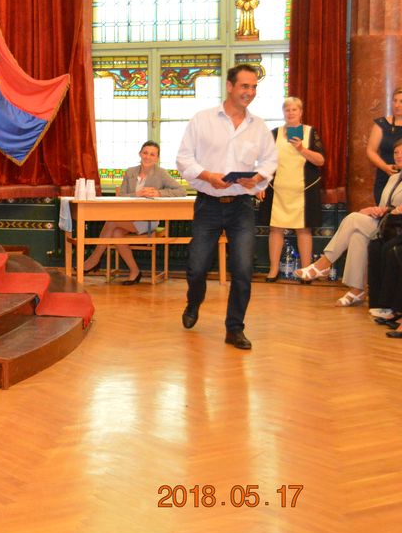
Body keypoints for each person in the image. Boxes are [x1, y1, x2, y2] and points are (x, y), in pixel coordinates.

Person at [175, 64, 279, 350]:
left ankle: (235, 328)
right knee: (197, 267)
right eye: (245, 86)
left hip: (241, 206)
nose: (250, 92)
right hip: (207, 204)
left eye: (254, 87)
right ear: (230, 87)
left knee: (243, 269)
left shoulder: (258, 127)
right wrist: (208, 175)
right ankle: (193, 302)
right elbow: (184, 159)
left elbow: (270, 161)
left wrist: (258, 178)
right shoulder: (202, 120)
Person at [295, 138, 402, 306]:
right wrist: (373, 210)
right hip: (385, 223)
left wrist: (387, 210)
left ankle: (324, 263)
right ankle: (357, 290)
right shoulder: (393, 178)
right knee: (357, 235)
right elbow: (384, 207)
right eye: (396, 152)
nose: (398, 156)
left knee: (352, 219)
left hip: (398, 227)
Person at [81, 141, 185, 284]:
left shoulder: (161, 174)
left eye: (152, 154)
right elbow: (121, 196)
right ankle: (135, 272)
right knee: (116, 233)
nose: (148, 157)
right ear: (140, 154)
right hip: (128, 217)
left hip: (148, 220)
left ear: (157, 158)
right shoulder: (130, 172)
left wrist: (159, 193)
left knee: (111, 221)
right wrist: (136, 194)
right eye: (145, 153)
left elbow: (181, 190)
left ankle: (94, 260)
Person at [257, 97, 325, 282]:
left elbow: (320, 160)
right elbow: (265, 161)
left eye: (294, 109)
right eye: (287, 109)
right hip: (278, 189)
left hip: (303, 190)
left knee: (303, 230)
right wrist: (261, 184)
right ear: (283, 112)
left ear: (301, 112)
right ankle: (273, 270)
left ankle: (306, 271)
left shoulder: (310, 132)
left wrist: (301, 148)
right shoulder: (274, 133)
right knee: (275, 229)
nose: (291, 113)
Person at [365, 87, 402, 204]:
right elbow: (371, 150)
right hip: (385, 175)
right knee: (383, 210)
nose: (397, 105)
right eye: (395, 101)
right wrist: (385, 167)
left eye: (401, 101)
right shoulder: (382, 123)